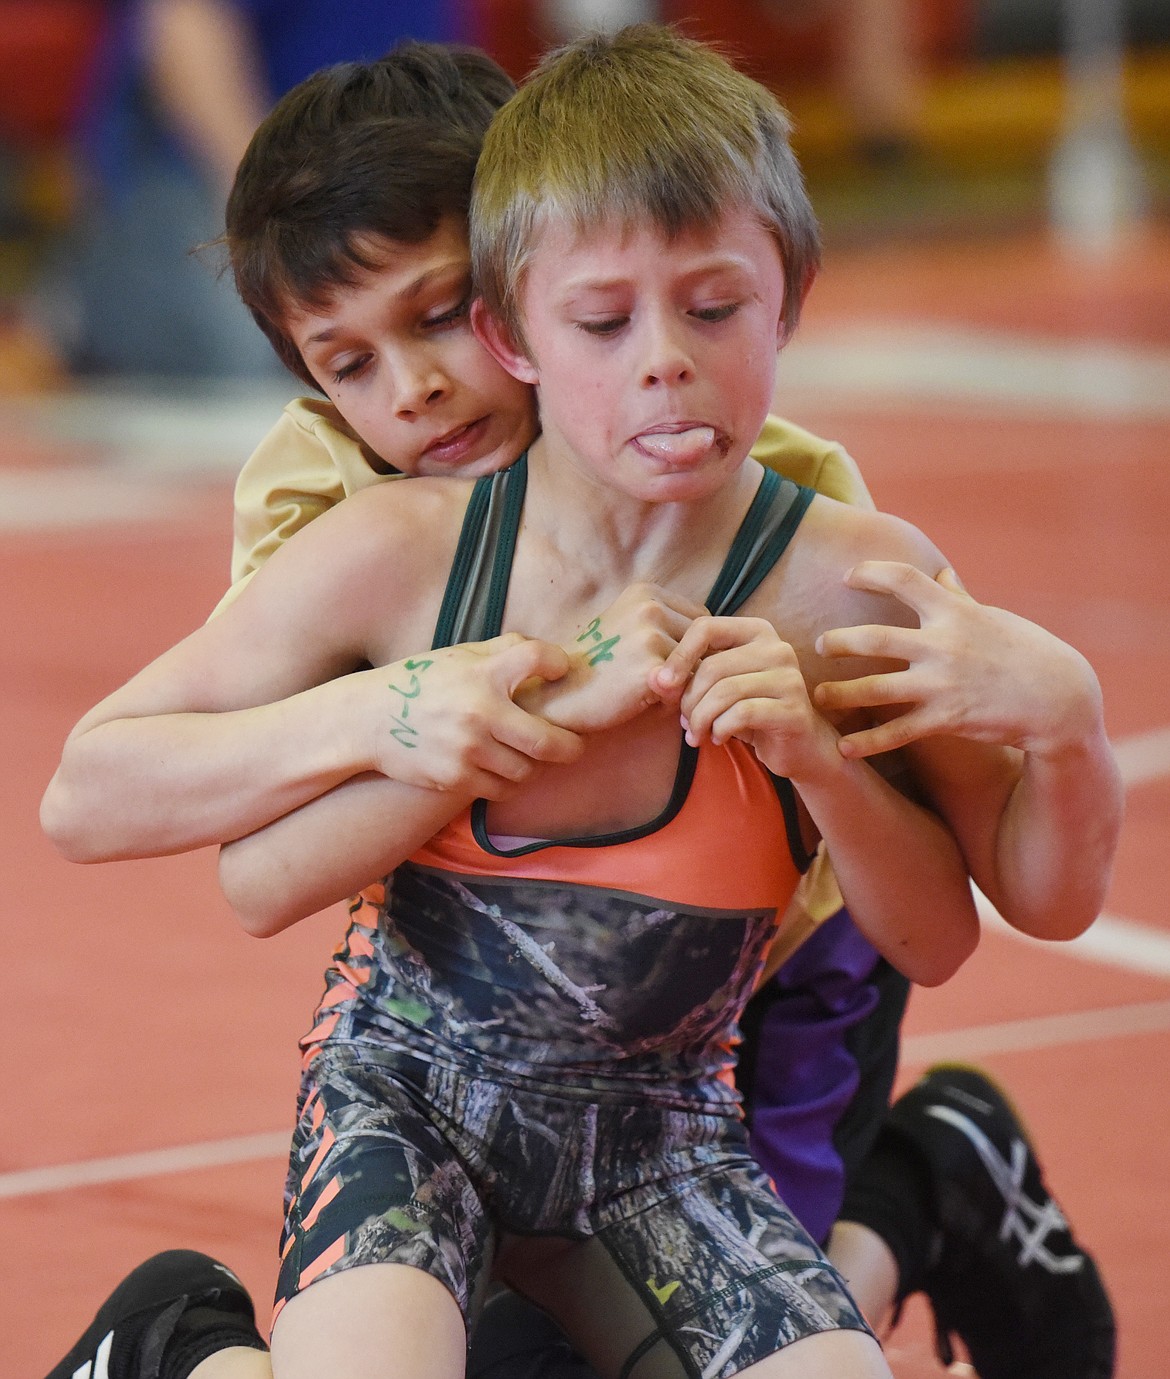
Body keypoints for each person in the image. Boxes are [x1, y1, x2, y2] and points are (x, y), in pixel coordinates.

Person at [41, 26, 1121, 1379]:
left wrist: (1021, 725)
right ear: (533, 319)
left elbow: (953, 916)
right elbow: (242, 865)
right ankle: (177, 1349)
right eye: (348, 363)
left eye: (434, 318)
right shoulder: (359, 525)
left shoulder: (818, 540)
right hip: (436, 1076)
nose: (417, 391)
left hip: (735, 1023)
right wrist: (404, 713)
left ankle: (912, 1187)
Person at [30, 0, 466, 379]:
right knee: (259, 342)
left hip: (380, 187)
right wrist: (266, 204)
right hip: (203, 178)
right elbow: (187, 26)